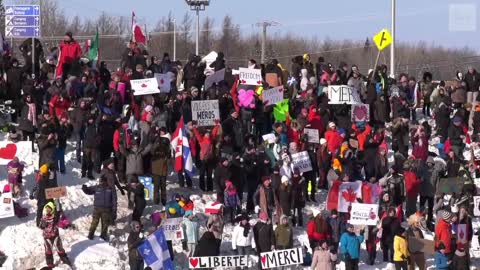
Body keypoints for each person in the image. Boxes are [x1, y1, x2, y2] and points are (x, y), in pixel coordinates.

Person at [82, 176, 117, 241]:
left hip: (106, 209)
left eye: (102, 181)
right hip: (97, 209)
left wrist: (114, 211)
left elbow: (114, 200)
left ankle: (103, 236)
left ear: (106, 181)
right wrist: (84, 189)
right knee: (95, 222)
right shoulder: (96, 187)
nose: (102, 183)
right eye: (101, 181)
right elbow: (89, 191)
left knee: (104, 223)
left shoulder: (110, 188)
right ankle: (91, 234)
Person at [39, 202, 71, 268]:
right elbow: (40, 225)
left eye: (49, 210)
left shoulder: (55, 217)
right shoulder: (44, 218)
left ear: (52, 210)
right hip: (47, 237)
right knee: (48, 250)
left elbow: (61, 221)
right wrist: (43, 224)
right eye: (47, 209)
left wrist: (66, 224)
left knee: (60, 248)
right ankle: (50, 263)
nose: (48, 211)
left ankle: (64, 258)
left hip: (55, 235)